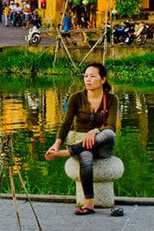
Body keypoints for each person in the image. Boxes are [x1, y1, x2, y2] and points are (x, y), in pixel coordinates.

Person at [45, 63, 117, 215]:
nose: (88, 79)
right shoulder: (76, 98)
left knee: (110, 134)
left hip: (101, 144)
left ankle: (68, 153)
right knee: (85, 156)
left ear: (102, 79)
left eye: (92, 76)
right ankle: (89, 205)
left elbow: (111, 126)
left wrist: (96, 131)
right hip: (79, 140)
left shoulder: (111, 99)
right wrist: (56, 144)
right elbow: (65, 125)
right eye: (85, 76)